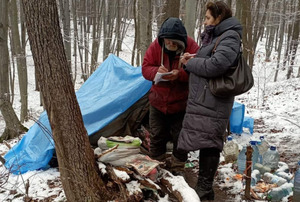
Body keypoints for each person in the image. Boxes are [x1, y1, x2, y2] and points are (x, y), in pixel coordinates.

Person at [177, 1, 242, 200]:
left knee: (210, 143)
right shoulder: (218, 35)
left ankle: (204, 190)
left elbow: (217, 65)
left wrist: (192, 63)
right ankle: (199, 189)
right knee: (204, 140)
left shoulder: (229, 36)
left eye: (207, 18)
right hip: (205, 100)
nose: (205, 21)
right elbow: (213, 57)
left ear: (219, 16)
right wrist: (194, 58)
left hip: (214, 101)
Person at [142, 17, 199, 174]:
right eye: (168, 42)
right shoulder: (156, 46)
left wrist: (180, 74)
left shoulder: (192, 47)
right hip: (158, 101)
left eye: (175, 43)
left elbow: (199, 71)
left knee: (181, 138)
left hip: (181, 103)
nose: (171, 46)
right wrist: (155, 72)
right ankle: (157, 168)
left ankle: (177, 170)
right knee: (157, 135)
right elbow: (145, 68)